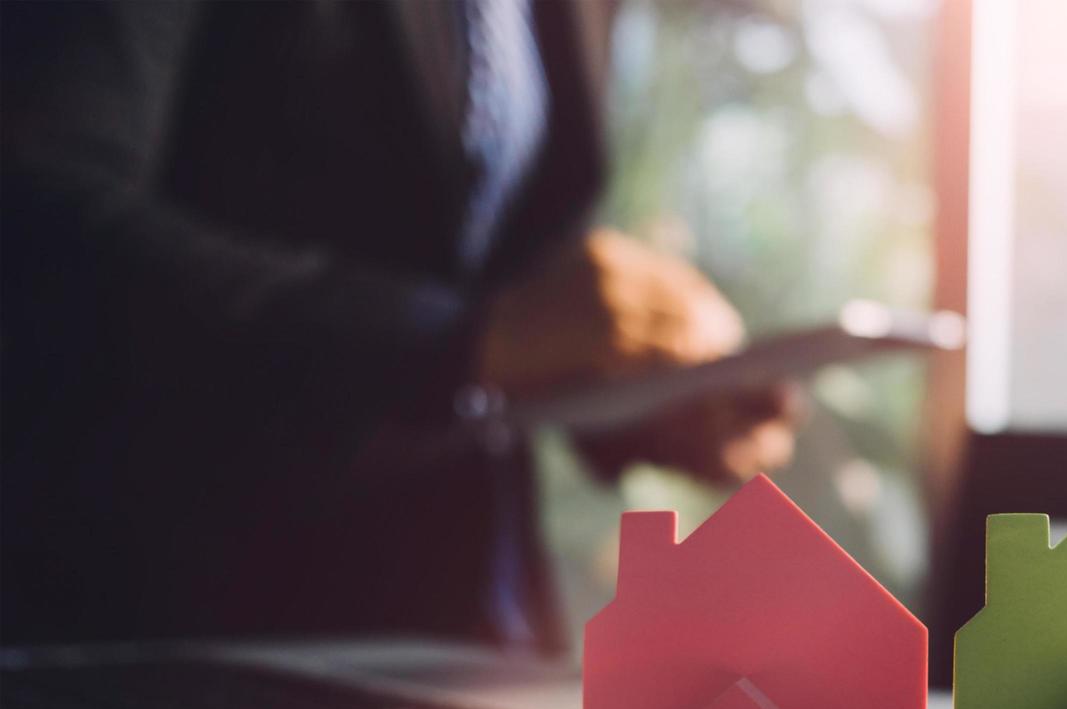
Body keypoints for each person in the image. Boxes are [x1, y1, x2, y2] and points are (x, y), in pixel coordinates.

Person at [0, 1, 796, 653]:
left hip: (471, 648)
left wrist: (639, 390)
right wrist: (460, 343)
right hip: (191, 640)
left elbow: (508, 276)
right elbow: (44, 221)